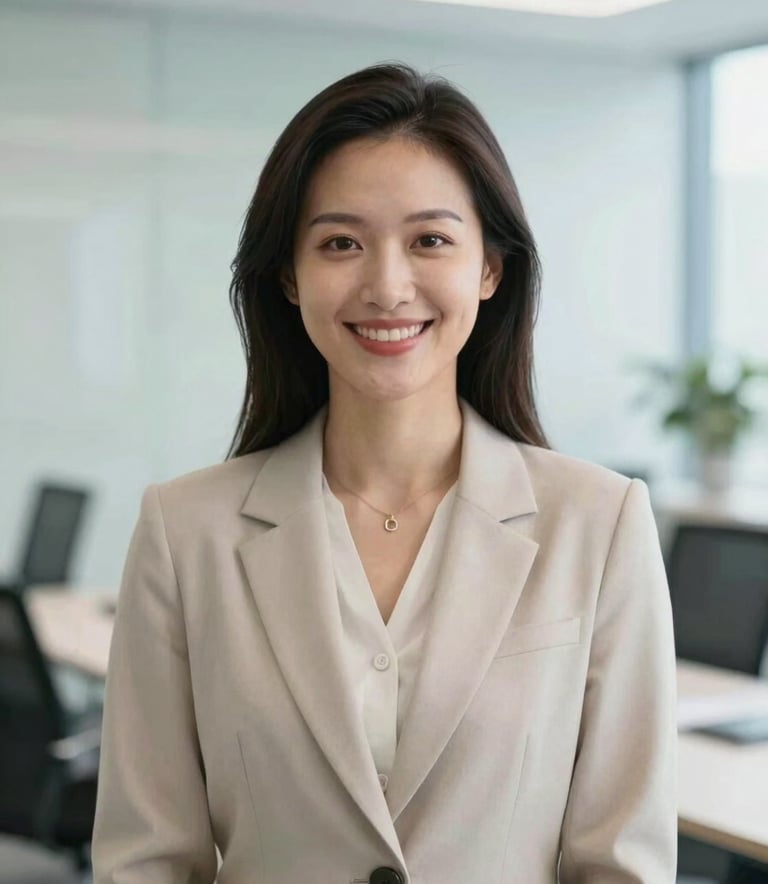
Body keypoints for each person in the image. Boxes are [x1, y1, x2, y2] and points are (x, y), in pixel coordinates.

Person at [91, 62, 677, 883]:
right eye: (341, 243)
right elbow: (146, 861)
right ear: (290, 276)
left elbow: (622, 865)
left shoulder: (600, 522)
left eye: (430, 240)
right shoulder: (185, 531)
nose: (387, 285)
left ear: (490, 269)